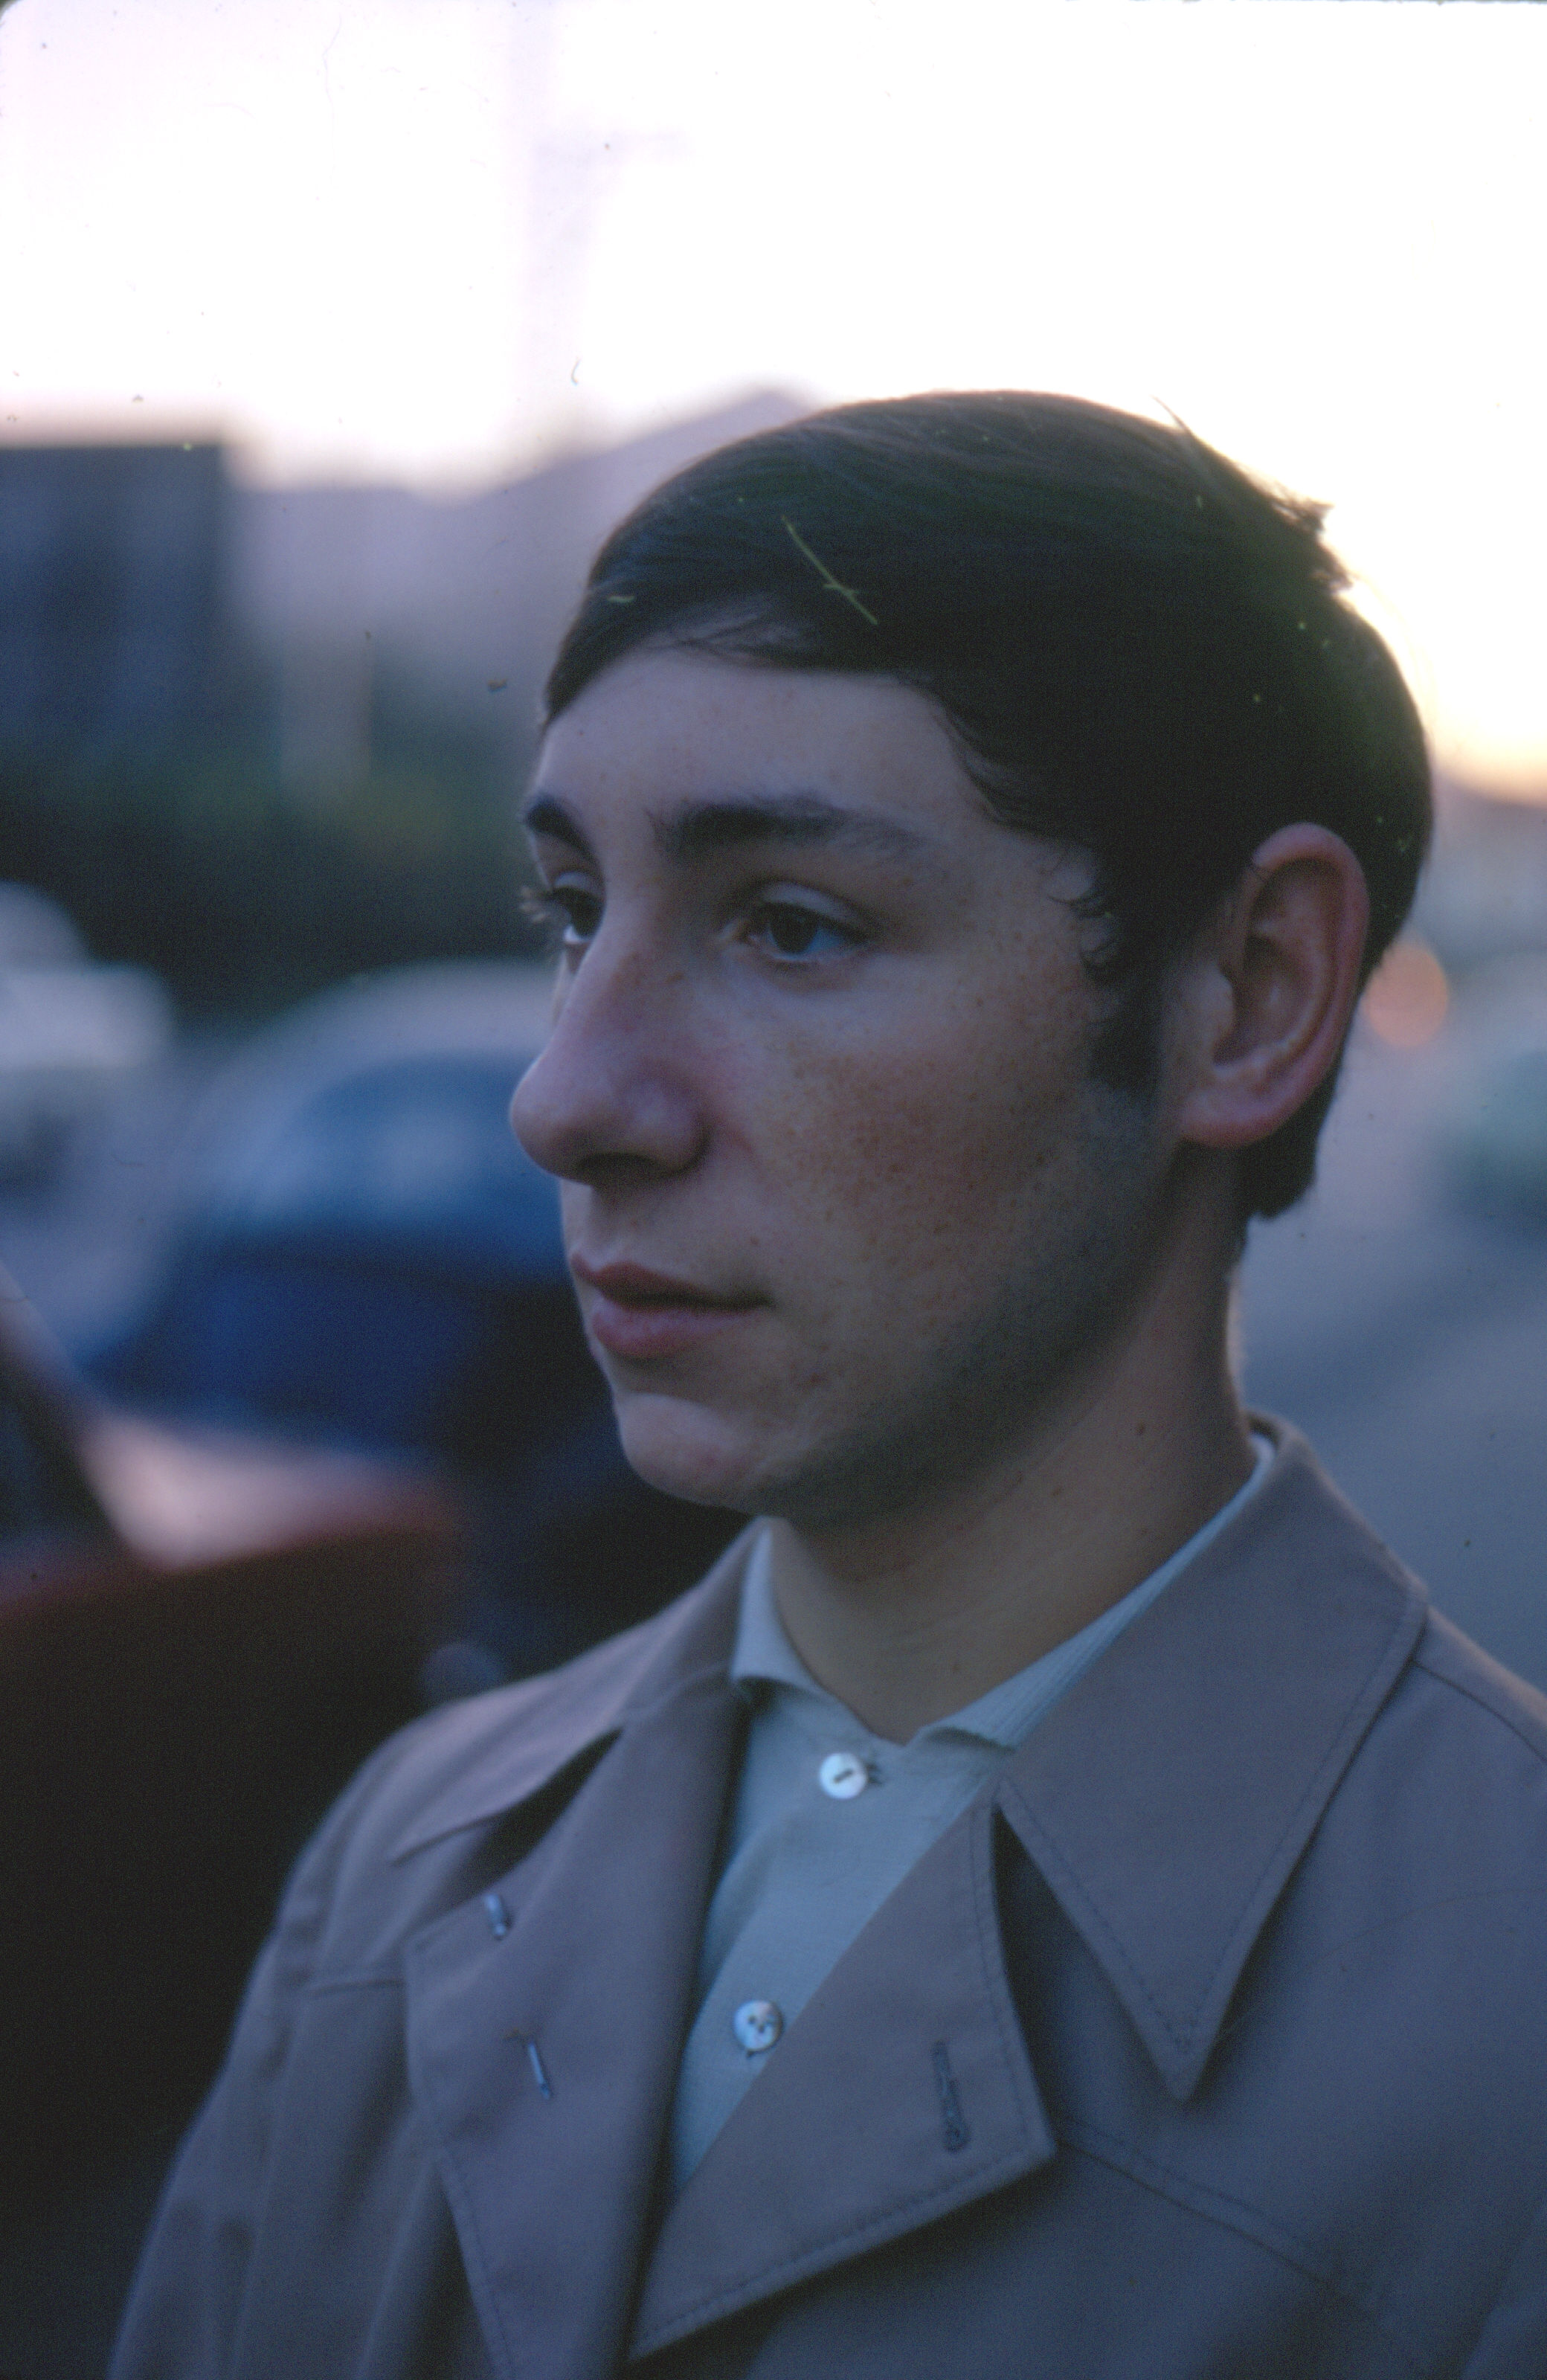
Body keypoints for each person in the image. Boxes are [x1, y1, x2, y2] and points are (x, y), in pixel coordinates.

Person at [112, 395, 1547, 2380]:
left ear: (1251, 995)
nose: (564, 1100)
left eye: (793, 926)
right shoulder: (412, 1847)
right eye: (572, 916)